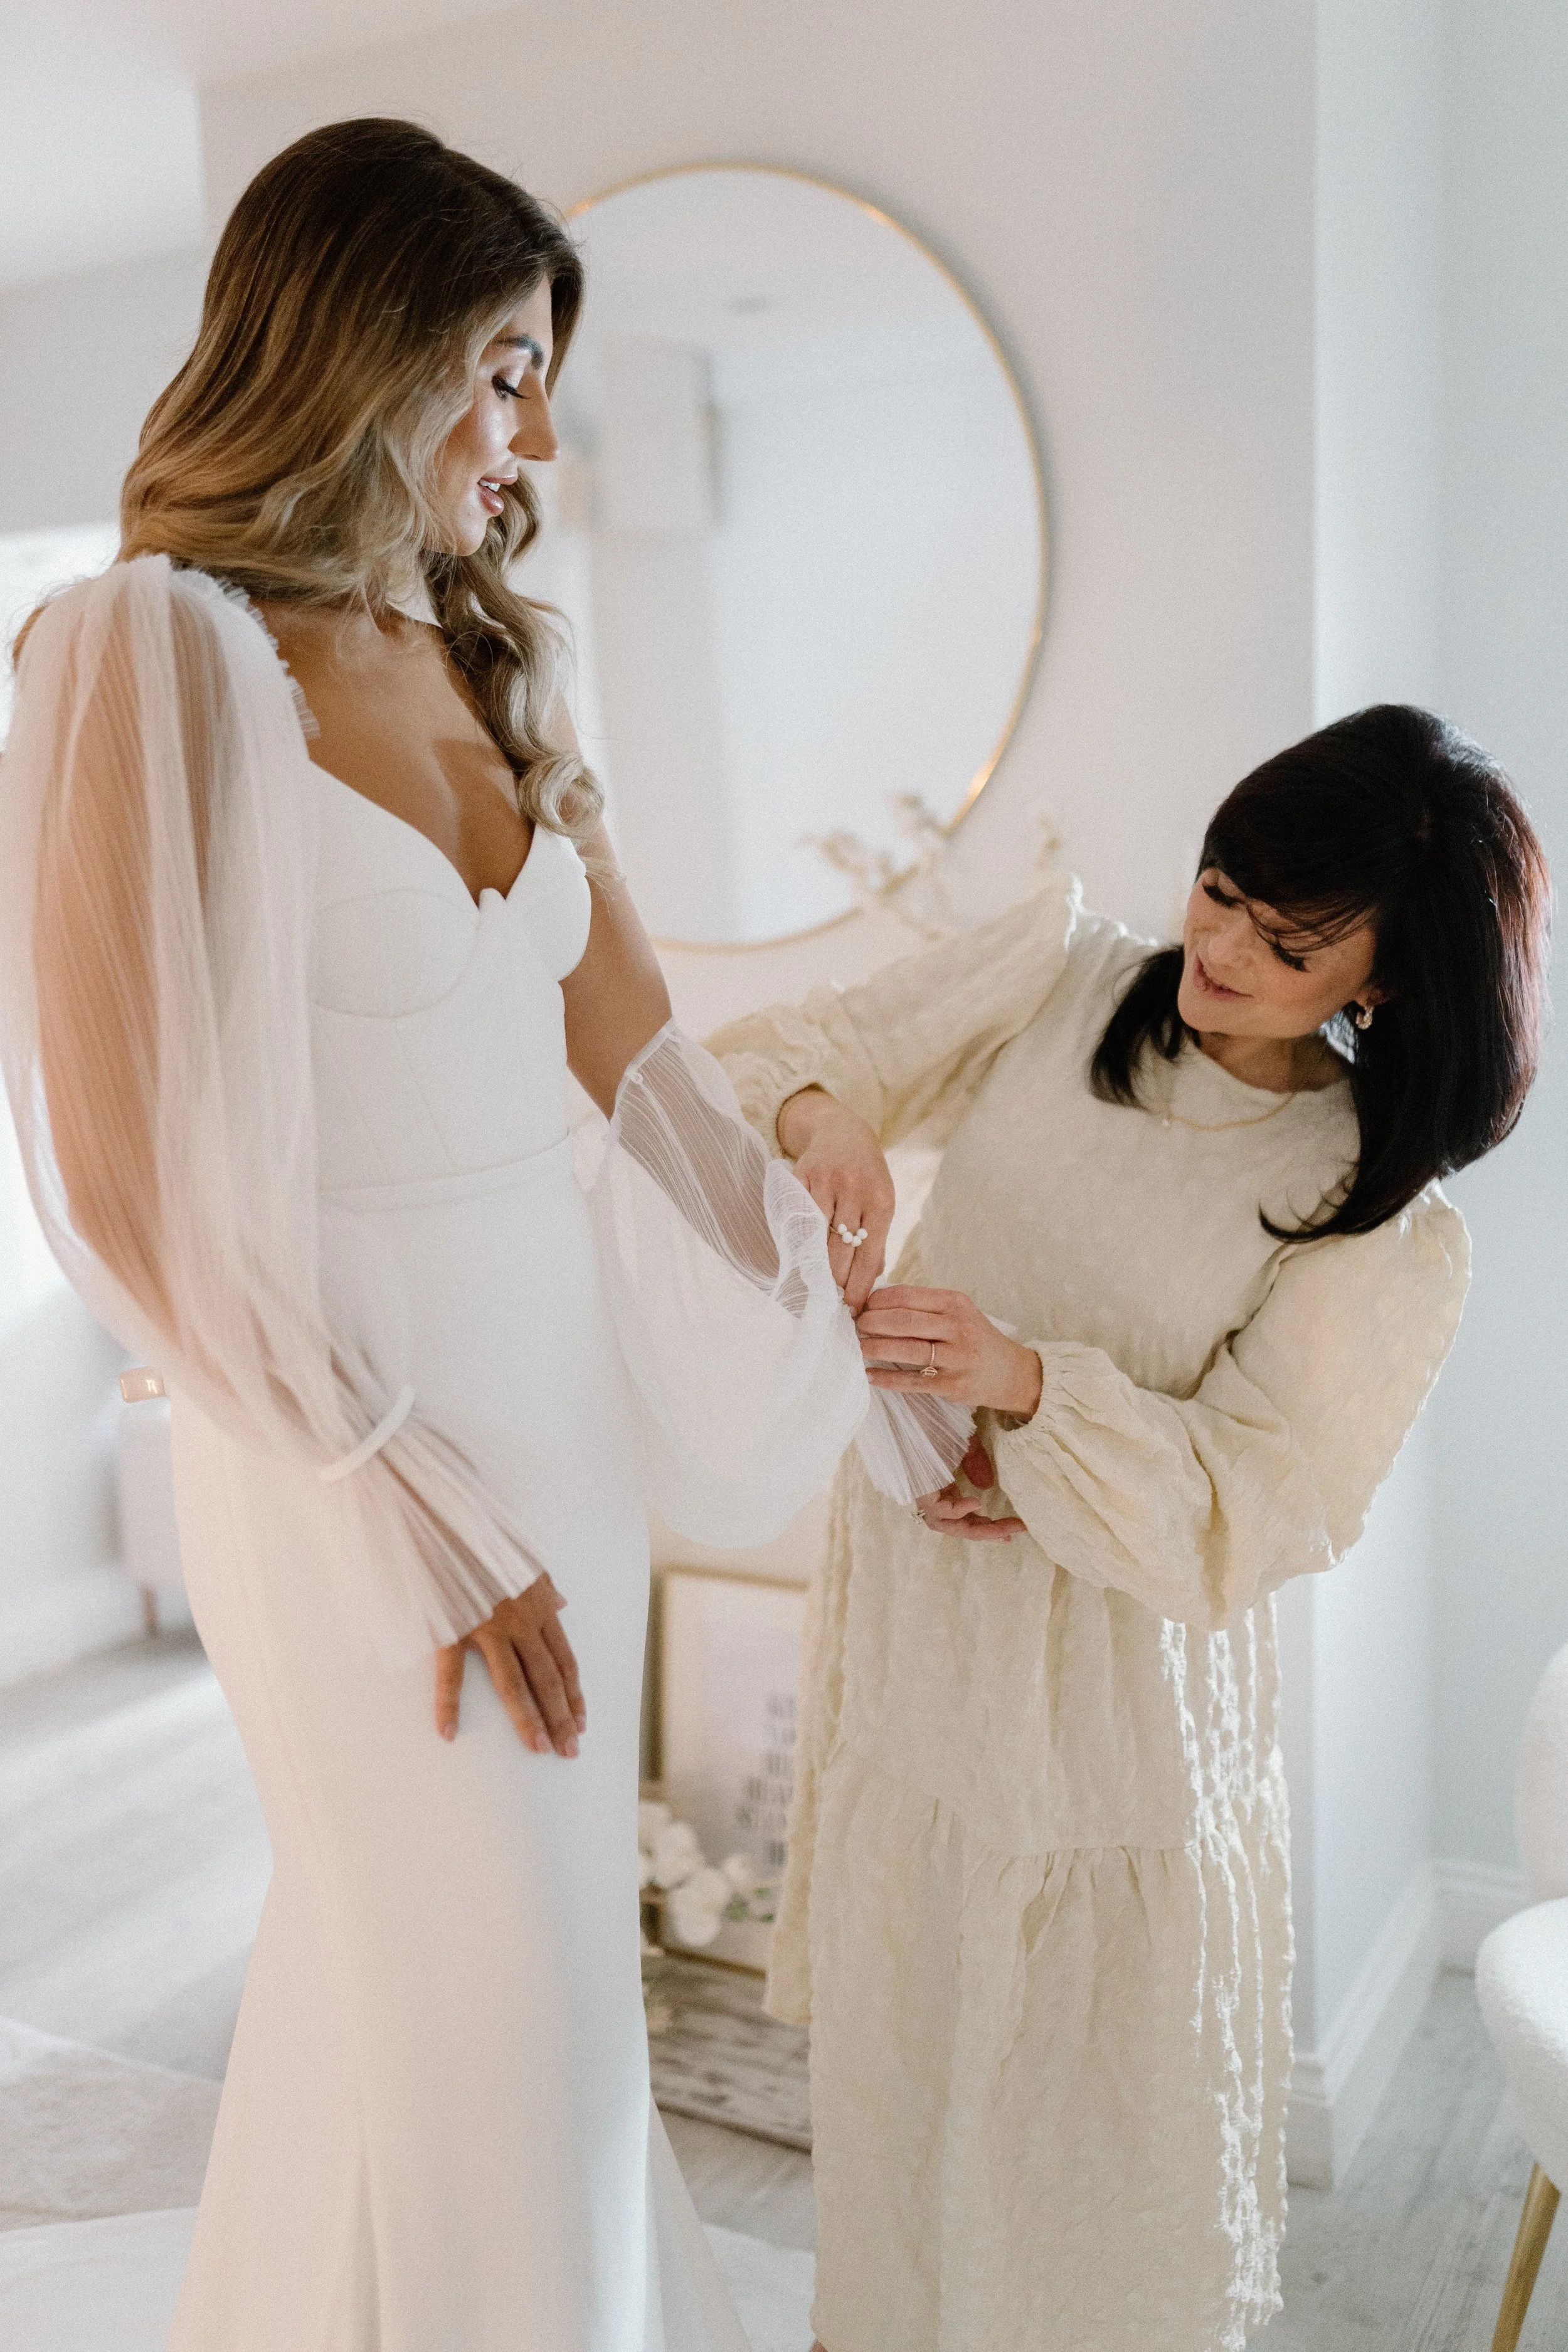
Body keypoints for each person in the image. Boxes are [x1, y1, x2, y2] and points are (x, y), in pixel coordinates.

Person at [0, 117, 903, 2349]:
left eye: (541, 378)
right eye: (494, 365)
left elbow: (641, 1070)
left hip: (557, 1410)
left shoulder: (501, 669)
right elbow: (123, 1179)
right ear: (350, 342)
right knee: (502, 2018)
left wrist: (815, 1257)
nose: (527, 432)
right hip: (337, 1433)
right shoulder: (143, 655)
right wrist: (405, 1506)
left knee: (452, 1995)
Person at [711, 705, 1551, 2352]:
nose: (1219, 943)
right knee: (893, 2153)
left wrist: (1030, 1394)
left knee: (1073, 2200)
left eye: (1288, 934)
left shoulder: (1368, 1204)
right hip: (915, 1646)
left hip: (1103, 1722)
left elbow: (1260, 1503)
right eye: (1220, 886)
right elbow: (772, 1055)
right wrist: (825, 1127)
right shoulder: (1063, 974)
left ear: (1379, 977)